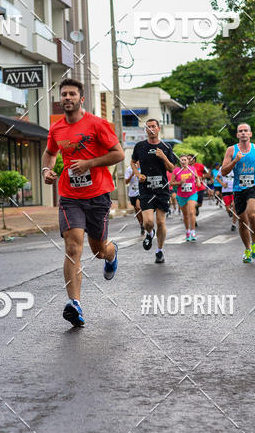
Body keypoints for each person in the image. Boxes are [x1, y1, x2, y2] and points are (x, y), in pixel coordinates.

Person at [42, 78, 124, 327]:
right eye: (64, 94)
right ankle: (74, 304)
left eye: (72, 94)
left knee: (98, 250)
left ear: (81, 98)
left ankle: (112, 254)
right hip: (70, 197)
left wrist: (88, 163)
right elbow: (50, 153)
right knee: (72, 248)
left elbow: (118, 153)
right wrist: (46, 170)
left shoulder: (97, 124)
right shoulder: (56, 129)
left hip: (98, 195)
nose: (67, 98)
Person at [131, 119, 179, 264]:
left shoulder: (166, 146)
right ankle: (149, 233)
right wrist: (138, 175)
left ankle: (159, 251)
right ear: (145, 130)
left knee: (161, 222)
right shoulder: (140, 146)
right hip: (146, 189)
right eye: (148, 127)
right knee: (148, 222)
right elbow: (133, 162)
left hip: (162, 189)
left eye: (153, 126)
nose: (151, 129)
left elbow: (172, 168)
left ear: (159, 129)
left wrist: (164, 157)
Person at [220, 123, 255, 263]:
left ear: (250, 134)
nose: (243, 133)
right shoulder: (231, 150)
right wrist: (235, 160)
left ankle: (254, 244)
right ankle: (247, 249)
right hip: (238, 189)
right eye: (240, 131)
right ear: (237, 135)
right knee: (242, 221)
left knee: (252, 214)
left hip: (254, 186)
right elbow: (223, 171)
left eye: (246, 130)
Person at [175, 155, 200, 241]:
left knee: (191, 212)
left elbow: (197, 177)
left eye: (185, 160)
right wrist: (179, 182)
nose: (183, 161)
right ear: (180, 162)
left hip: (192, 193)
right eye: (181, 160)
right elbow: (171, 183)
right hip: (181, 195)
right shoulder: (176, 171)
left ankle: (193, 231)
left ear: (188, 161)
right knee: (185, 215)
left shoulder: (192, 169)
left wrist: (198, 182)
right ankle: (187, 231)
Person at [125, 163, 143, 233]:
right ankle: (141, 224)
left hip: (141, 191)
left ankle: (144, 221)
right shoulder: (129, 169)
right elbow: (126, 182)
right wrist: (132, 174)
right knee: (136, 209)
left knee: (138, 207)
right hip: (132, 193)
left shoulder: (143, 168)